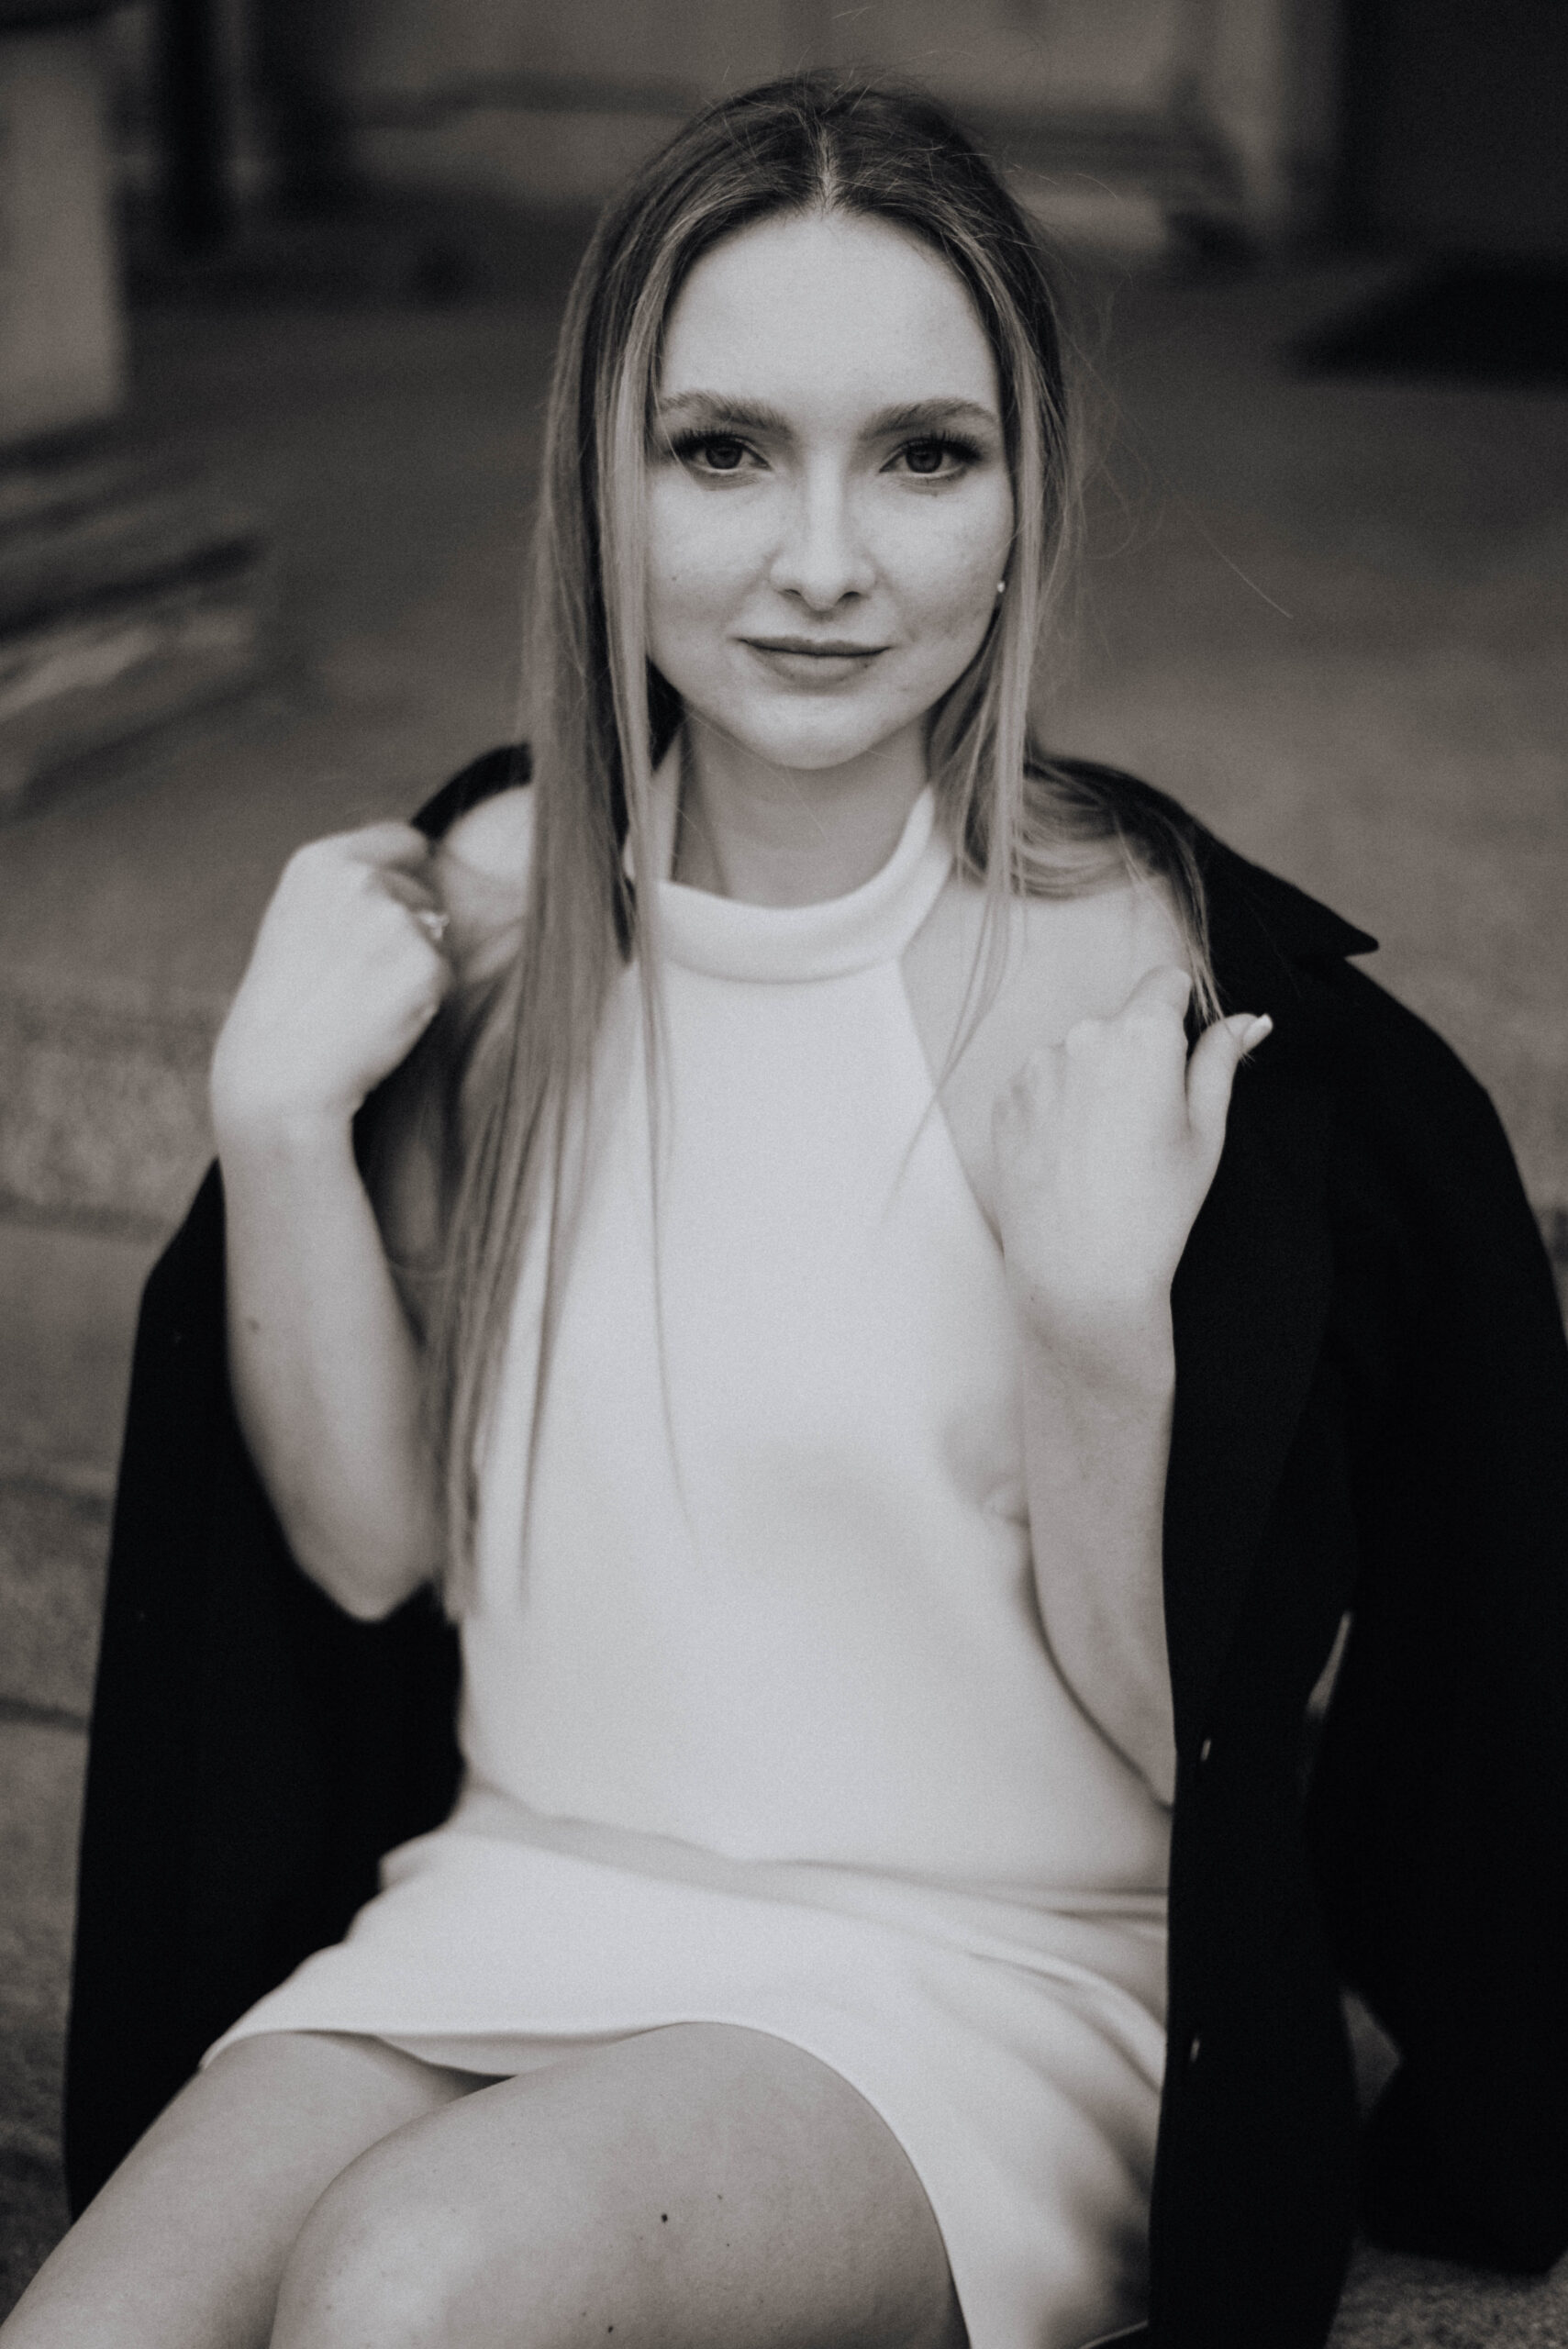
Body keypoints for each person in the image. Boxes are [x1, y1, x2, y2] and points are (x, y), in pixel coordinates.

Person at [13, 74, 1568, 2349]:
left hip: (988, 1977)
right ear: (604, 483)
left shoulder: (1149, 983)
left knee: (417, 2282)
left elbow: (1196, 1751)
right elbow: (364, 1547)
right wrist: (270, 1118)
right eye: (724, 449)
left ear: (1025, 499)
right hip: (508, 1891)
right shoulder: (485, 907)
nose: (822, 559)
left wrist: (1094, 1323)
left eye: (922, 455)